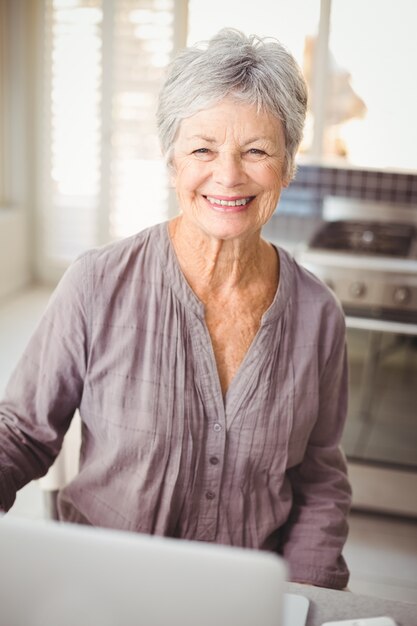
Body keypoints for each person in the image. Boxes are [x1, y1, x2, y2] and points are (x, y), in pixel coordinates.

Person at [0, 28, 351, 589]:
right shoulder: (96, 282)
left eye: (256, 150)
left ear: (286, 166)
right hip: (99, 592)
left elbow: (319, 481)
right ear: (172, 161)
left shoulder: (318, 315)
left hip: (245, 602)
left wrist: (307, 598)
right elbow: (19, 433)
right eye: (203, 148)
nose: (229, 175)